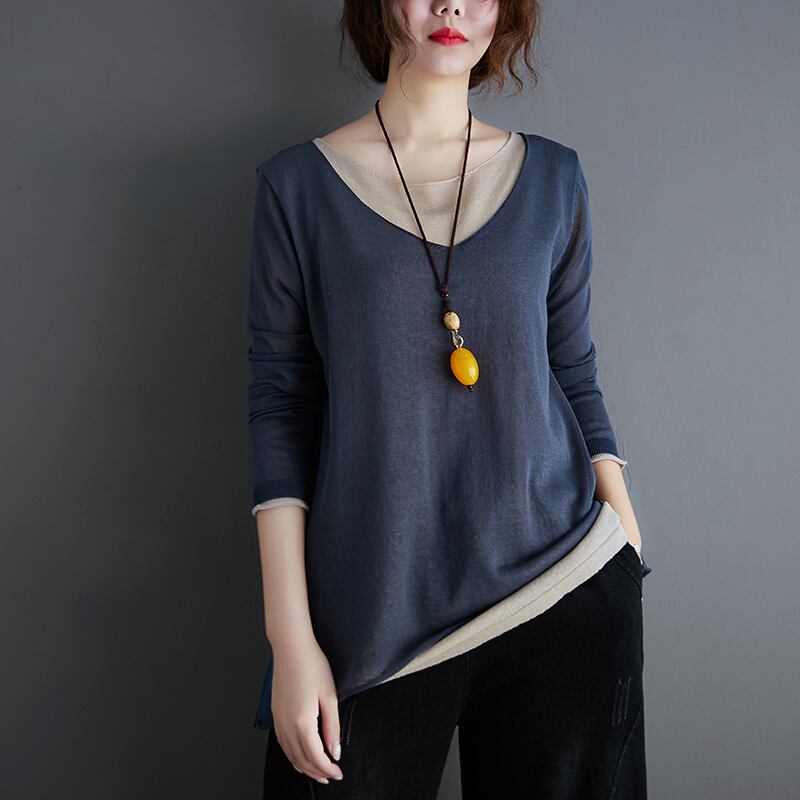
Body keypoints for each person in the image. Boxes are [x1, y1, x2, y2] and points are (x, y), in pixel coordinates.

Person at [247, 1, 652, 796]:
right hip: (375, 613)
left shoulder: (555, 178)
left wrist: (625, 540)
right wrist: (289, 638)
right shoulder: (296, 189)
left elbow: (571, 366)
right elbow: (281, 407)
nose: (452, 5)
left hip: (563, 586)